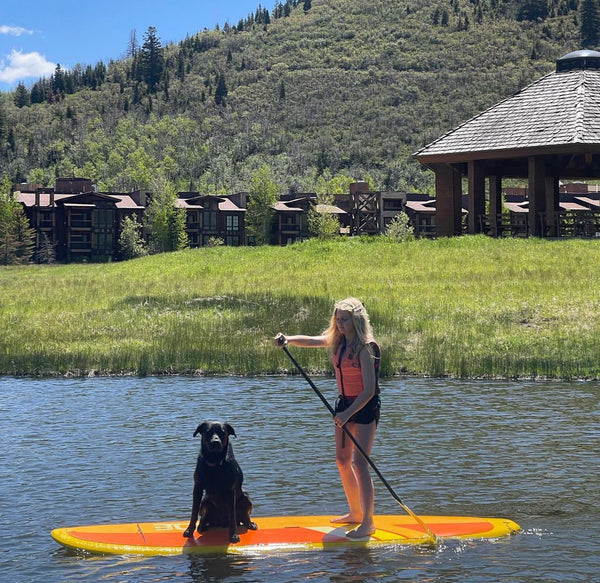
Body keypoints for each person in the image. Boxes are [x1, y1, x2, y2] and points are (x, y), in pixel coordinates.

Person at [274, 297, 381, 538]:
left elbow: (369, 390)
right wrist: (288, 339)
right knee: (342, 461)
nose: (340, 324)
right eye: (338, 319)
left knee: (360, 463)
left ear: (356, 320)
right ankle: (354, 513)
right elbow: (315, 341)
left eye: (345, 319)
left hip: (364, 407)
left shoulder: (366, 347)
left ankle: (368, 522)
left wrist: (346, 414)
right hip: (344, 405)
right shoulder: (339, 341)